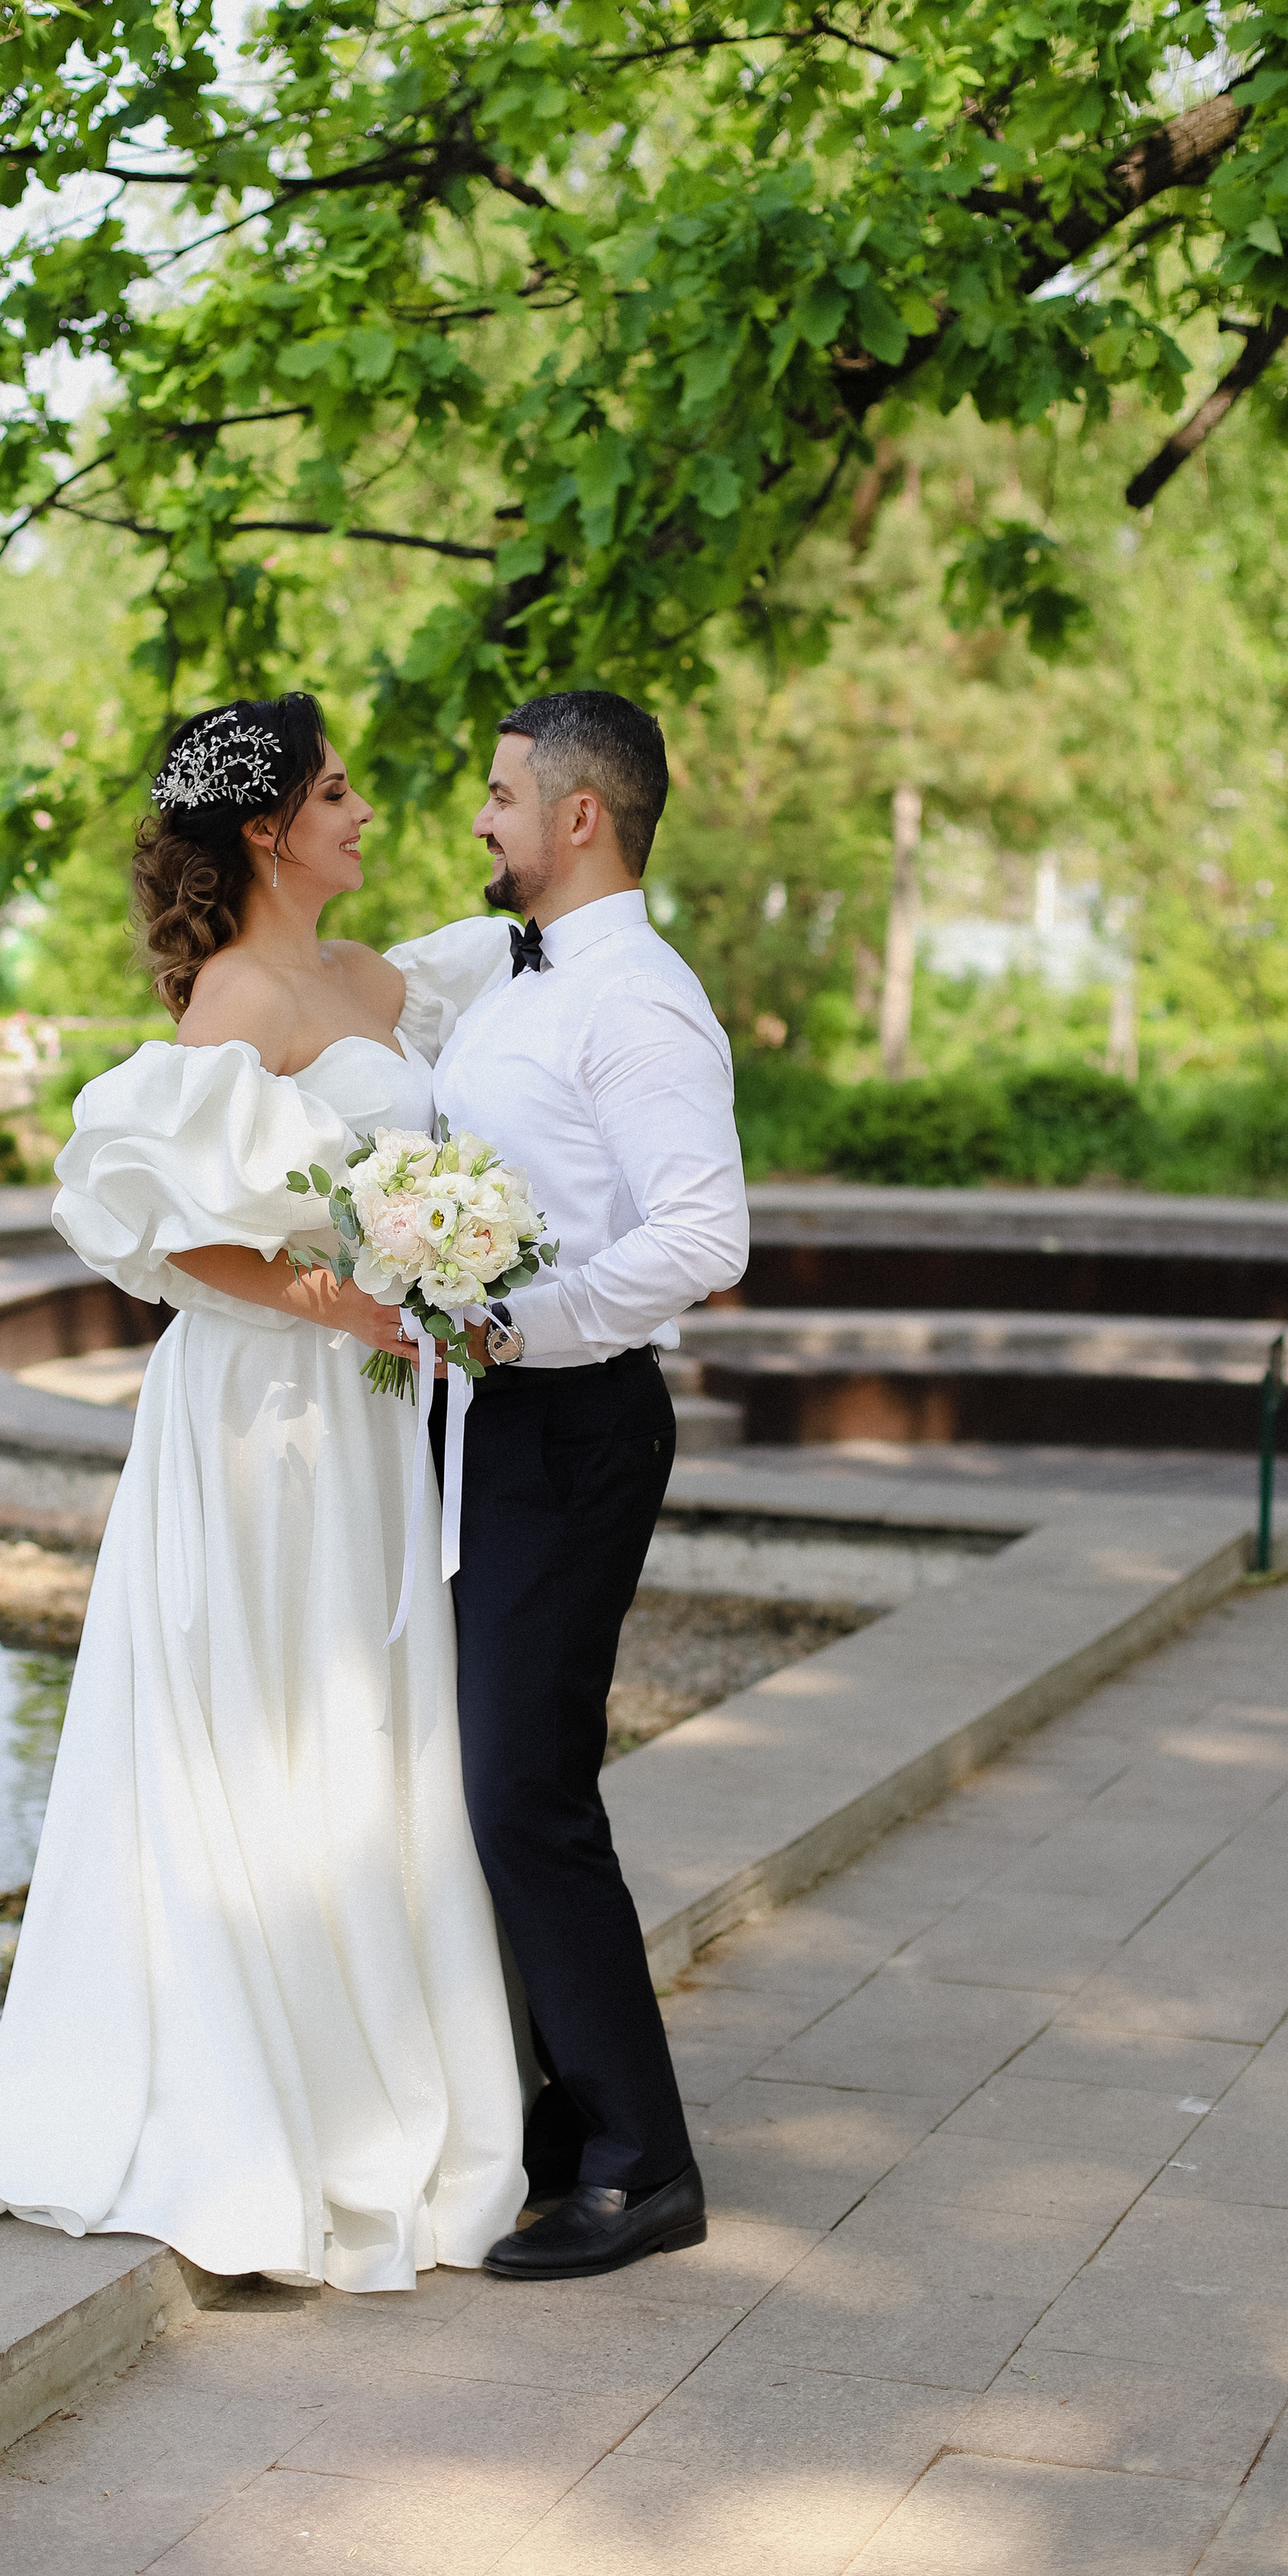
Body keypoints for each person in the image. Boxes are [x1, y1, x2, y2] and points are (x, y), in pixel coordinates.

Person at [0, 692, 528, 2292]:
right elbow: (173, 1223)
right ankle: (258, 2087)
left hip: (369, 1410)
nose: (366, 814)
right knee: (265, 1701)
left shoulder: (380, 981)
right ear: (266, 830)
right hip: (264, 1406)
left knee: (368, 1710)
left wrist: (442, 1265)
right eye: (338, 792)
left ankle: (380, 2057)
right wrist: (347, 1299)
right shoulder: (236, 1002)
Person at [431, 690, 750, 2280]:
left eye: (501, 794)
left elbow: (705, 1234)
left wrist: (517, 1326)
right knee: (487, 1783)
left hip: (571, 1427)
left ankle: (644, 2165)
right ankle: (565, 2119)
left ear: (578, 816)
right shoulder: (513, 972)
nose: (481, 817)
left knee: (524, 1793)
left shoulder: (639, 1002)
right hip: (487, 1426)